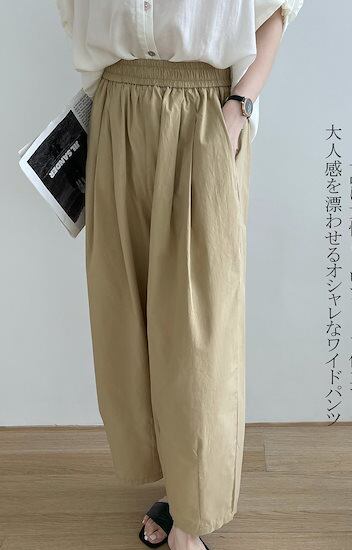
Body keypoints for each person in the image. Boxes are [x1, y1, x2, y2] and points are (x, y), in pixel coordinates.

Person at [56, 1, 304, 549]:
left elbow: (278, 9)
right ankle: (176, 486)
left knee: (197, 326)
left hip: (203, 111)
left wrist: (239, 105)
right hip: (116, 107)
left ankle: (190, 517)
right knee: (126, 310)